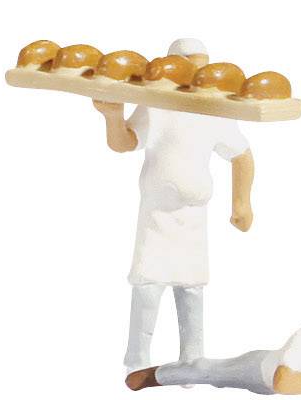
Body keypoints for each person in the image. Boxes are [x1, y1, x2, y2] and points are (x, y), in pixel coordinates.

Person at [92, 38, 257, 373]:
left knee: (192, 289)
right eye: (188, 67)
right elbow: (124, 142)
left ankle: (192, 359)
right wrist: (113, 115)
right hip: (157, 216)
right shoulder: (155, 104)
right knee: (148, 287)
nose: (196, 75)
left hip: (192, 218)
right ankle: (137, 359)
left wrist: (242, 202)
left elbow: (241, 154)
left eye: (202, 68)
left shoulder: (215, 108)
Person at [125, 271, 301, 396]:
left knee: (211, 373)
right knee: (208, 371)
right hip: (256, 370)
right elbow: (281, 380)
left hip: (264, 372)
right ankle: (153, 376)